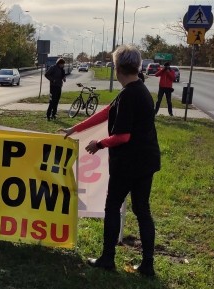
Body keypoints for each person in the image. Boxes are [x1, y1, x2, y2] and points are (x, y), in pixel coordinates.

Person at [59, 45, 161, 276]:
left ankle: (107, 259)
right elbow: (107, 111)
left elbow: (123, 136)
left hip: (129, 163)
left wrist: (99, 144)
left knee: (112, 207)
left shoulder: (129, 94)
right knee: (142, 210)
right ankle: (148, 264)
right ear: (137, 65)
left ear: (117, 68)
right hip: (147, 160)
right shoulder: (139, 89)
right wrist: (75, 128)